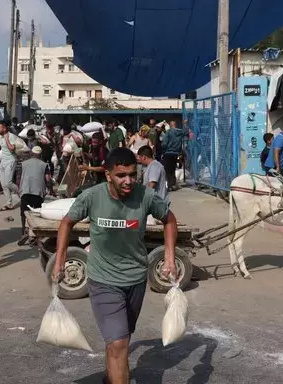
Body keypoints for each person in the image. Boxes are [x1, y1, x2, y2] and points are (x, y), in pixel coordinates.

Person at [51, 147, 178, 384]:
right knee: (119, 343)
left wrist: (169, 257)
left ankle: (111, 379)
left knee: (121, 340)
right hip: (103, 280)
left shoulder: (146, 196)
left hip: (136, 279)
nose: (128, 180)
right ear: (108, 174)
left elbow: (169, 220)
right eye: (121, 175)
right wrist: (59, 261)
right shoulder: (92, 196)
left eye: (132, 174)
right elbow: (66, 222)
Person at [19, 146, 52, 241]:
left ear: (31, 154)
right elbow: (48, 179)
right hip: (38, 192)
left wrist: (19, 189)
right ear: (40, 155)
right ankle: (35, 235)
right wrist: (51, 189)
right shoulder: (44, 164)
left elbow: (19, 177)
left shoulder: (23, 163)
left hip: (25, 191)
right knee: (36, 214)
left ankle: (23, 231)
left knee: (24, 213)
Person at [0, 120, 20, 211]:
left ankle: (22, 193)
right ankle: (9, 203)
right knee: (4, 185)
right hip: (3, 162)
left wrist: (6, 139)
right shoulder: (1, 136)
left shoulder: (11, 136)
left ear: (5, 128)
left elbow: (12, 149)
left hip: (11, 161)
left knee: (9, 183)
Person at [161, 120, 185, 191]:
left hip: (168, 153)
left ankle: (170, 185)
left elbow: (164, 144)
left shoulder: (168, 132)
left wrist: (162, 146)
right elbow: (186, 132)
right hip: (176, 153)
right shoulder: (180, 132)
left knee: (168, 170)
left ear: (170, 125)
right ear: (175, 125)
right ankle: (173, 184)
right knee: (173, 169)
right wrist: (185, 124)